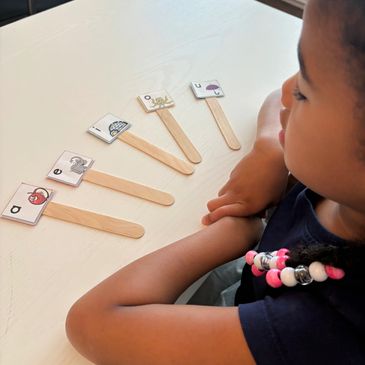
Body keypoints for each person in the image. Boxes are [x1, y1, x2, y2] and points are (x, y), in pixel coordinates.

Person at [65, 1, 365, 364]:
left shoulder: (320, 331)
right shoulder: (345, 187)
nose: (287, 89)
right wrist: (271, 148)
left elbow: (94, 324)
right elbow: (275, 98)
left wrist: (237, 233)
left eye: (304, 91)